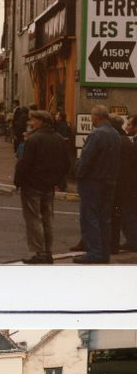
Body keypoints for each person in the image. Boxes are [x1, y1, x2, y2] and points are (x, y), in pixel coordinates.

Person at [13, 110, 71, 264]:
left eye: (33, 120)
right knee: (47, 218)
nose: (30, 123)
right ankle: (48, 251)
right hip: (49, 185)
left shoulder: (33, 140)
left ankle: (40, 252)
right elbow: (67, 164)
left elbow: (24, 164)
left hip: (32, 184)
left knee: (33, 219)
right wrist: (58, 180)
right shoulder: (59, 139)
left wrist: (18, 180)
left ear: (40, 121)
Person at [74, 105, 121, 263]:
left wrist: (78, 174)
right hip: (109, 181)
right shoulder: (115, 134)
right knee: (104, 218)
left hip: (93, 181)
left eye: (92, 116)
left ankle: (94, 252)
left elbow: (86, 158)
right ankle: (103, 253)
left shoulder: (96, 134)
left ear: (97, 117)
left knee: (89, 217)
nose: (91, 119)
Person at [110, 115, 137, 253]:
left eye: (130, 125)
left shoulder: (128, 142)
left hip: (129, 183)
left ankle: (133, 241)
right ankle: (132, 240)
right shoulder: (129, 141)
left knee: (127, 212)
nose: (126, 127)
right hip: (130, 182)